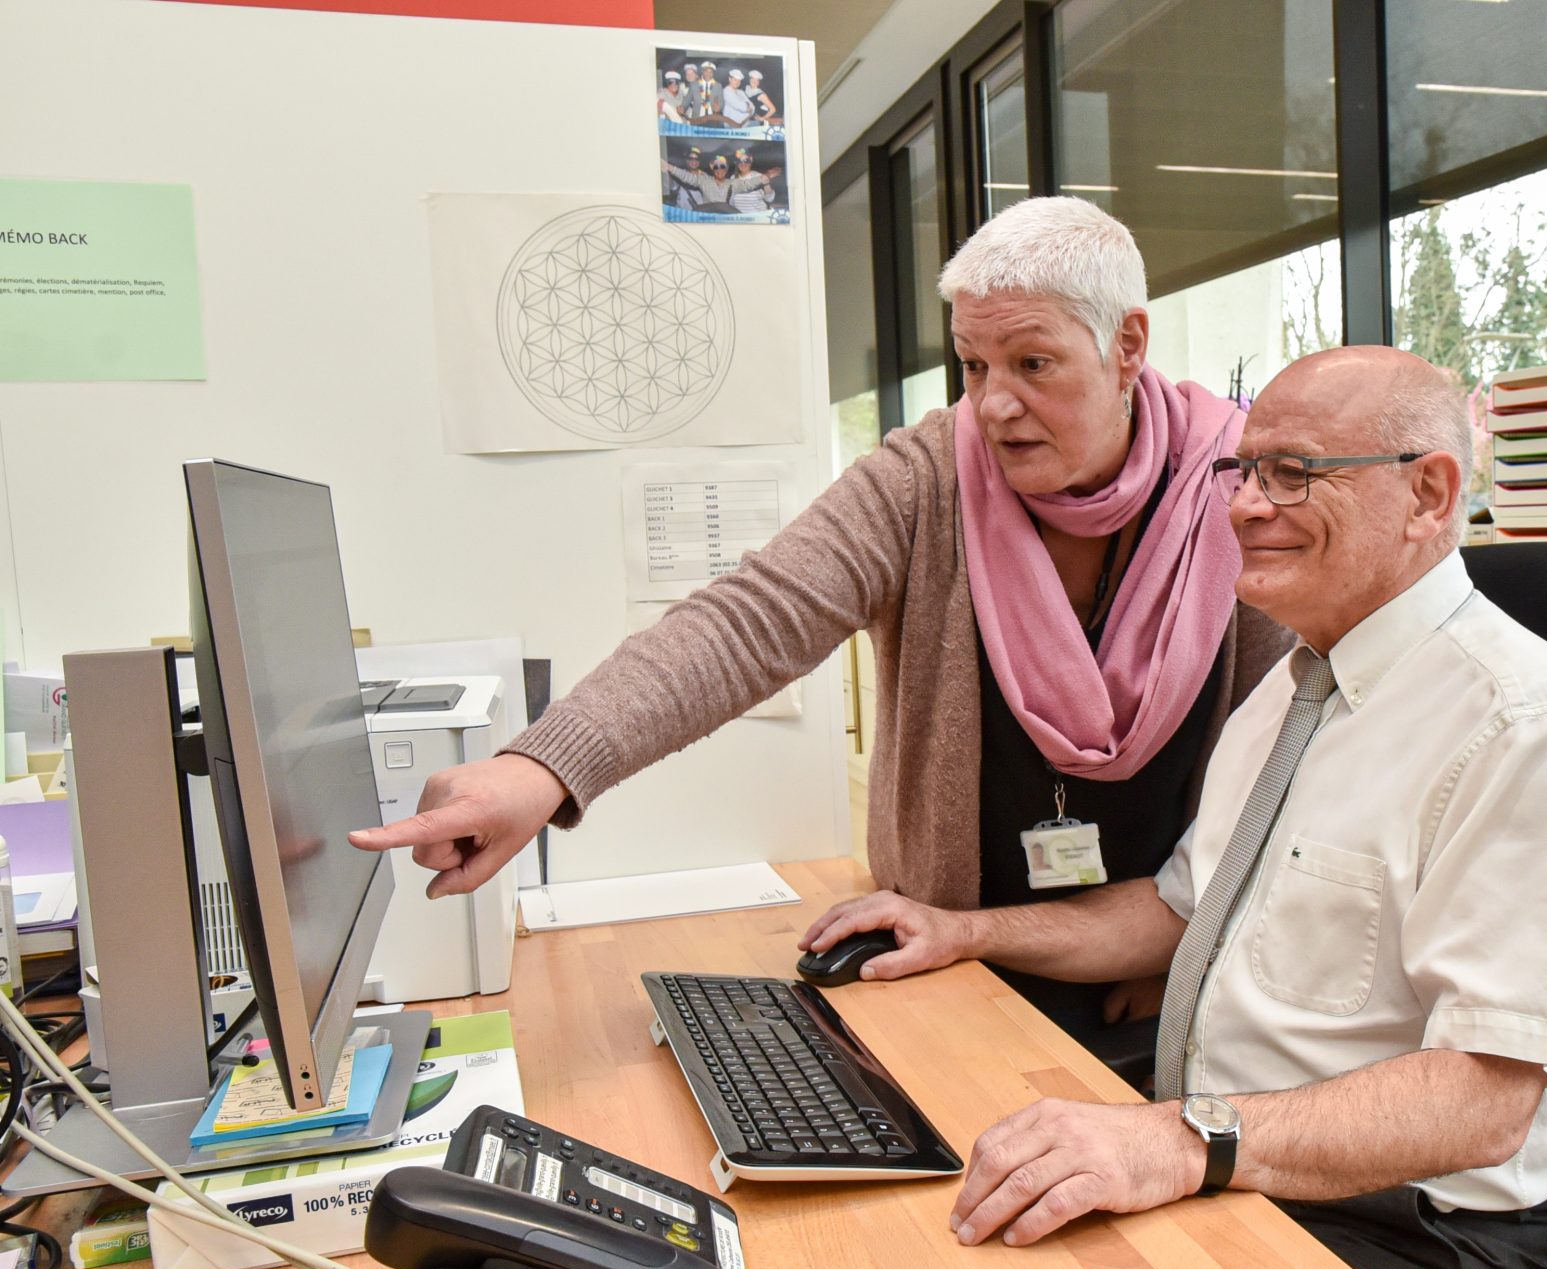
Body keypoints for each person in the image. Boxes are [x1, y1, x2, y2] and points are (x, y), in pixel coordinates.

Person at [795, 346, 1547, 1269]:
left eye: (1292, 473)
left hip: (1427, 1246)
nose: (1244, 507)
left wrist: (1176, 1140)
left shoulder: (1526, 727)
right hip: (1242, 1175)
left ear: (1428, 494)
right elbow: (1175, 910)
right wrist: (965, 931)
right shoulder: (1288, 692)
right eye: (1240, 472)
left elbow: (1480, 1100)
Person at [349, 197, 1292, 1062]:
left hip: (1162, 970)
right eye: (973, 365)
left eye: (1032, 364)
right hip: (947, 960)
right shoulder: (924, 481)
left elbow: (1285, 761)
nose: (993, 404)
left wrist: (1185, 931)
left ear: (1127, 345)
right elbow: (748, 621)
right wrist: (541, 768)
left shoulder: (1235, 488)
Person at [728, 148, 779, 214]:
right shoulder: (732, 178)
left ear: (751, 162)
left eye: (746, 161)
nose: (743, 164)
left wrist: (766, 182)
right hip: (741, 218)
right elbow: (731, 201)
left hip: (758, 216)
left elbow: (770, 199)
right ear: (736, 163)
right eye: (739, 161)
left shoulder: (759, 176)